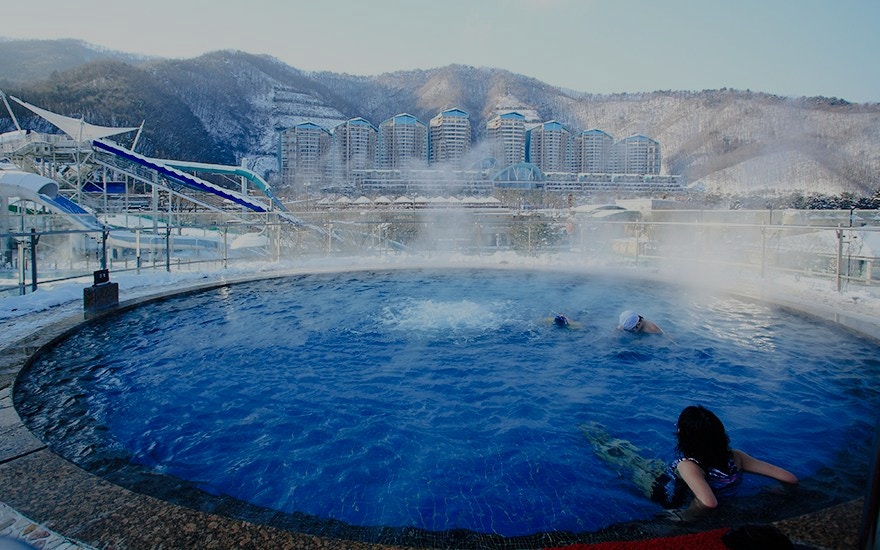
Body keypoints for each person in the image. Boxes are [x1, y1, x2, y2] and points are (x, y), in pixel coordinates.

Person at [581, 405, 798, 523]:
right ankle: (597, 433)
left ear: (685, 437)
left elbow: (709, 502)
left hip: (664, 493)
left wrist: (683, 517)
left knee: (622, 460)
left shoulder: (689, 465)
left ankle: (590, 432)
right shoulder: (736, 456)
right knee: (638, 458)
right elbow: (789, 478)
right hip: (680, 481)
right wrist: (779, 491)